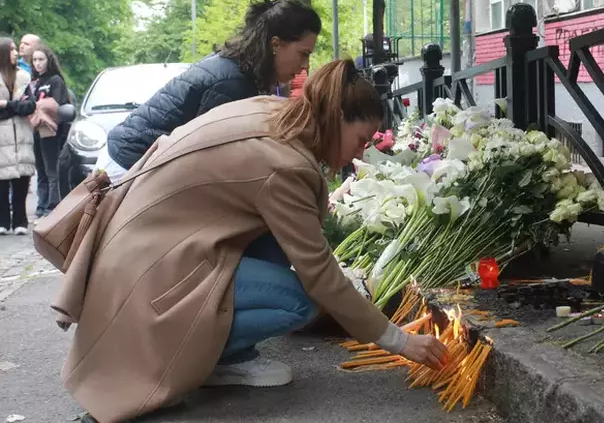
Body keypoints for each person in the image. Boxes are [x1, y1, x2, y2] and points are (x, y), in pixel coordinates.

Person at [56, 60, 447, 423]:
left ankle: (223, 352)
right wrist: (399, 341)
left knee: (284, 253)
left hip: (142, 252)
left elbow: (298, 234)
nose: (362, 150)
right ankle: (206, 360)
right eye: (361, 138)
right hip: (146, 275)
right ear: (338, 117)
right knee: (301, 300)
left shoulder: (274, 112)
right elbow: (320, 274)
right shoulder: (286, 165)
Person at [103, 0, 321, 182]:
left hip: (136, 160)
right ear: (275, 44)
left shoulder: (239, 70)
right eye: (303, 54)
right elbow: (213, 161)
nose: (305, 66)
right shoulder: (232, 84)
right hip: (128, 165)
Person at [0, 38, 37, 235]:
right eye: (12, 49)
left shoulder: (23, 77)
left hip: (22, 136)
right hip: (2, 139)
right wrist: (17, 107)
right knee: (2, 183)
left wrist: (6, 105)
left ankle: (20, 221)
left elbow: (30, 106)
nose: (16, 52)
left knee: (22, 180)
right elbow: (21, 107)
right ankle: (3, 221)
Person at [31, 45, 70, 216]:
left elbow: (57, 105)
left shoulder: (55, 81)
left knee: (51, 170)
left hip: (52, 132)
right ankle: (41, 206)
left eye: (41, 59)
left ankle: (52, 206)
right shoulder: (35, 82)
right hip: (35, 130)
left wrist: (37, 106)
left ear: (49, 60)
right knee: (40, 170)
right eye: (35, 60)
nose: (37, 63)